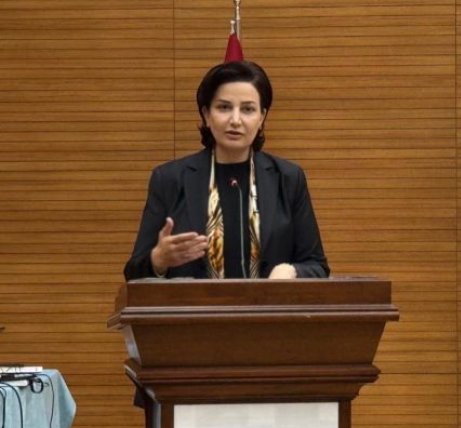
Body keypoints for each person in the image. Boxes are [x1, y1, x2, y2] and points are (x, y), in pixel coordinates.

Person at [124, 61, 329, 280]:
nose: (235, 120)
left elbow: (317, 267)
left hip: (269, 303)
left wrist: (291, 271)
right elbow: (133, 274)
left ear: (262, 117)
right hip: (191, 303)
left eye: (248, 109)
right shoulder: (169, 179)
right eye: (224, 107)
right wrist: (158, 261)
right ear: (206, 115)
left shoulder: (288, 178)